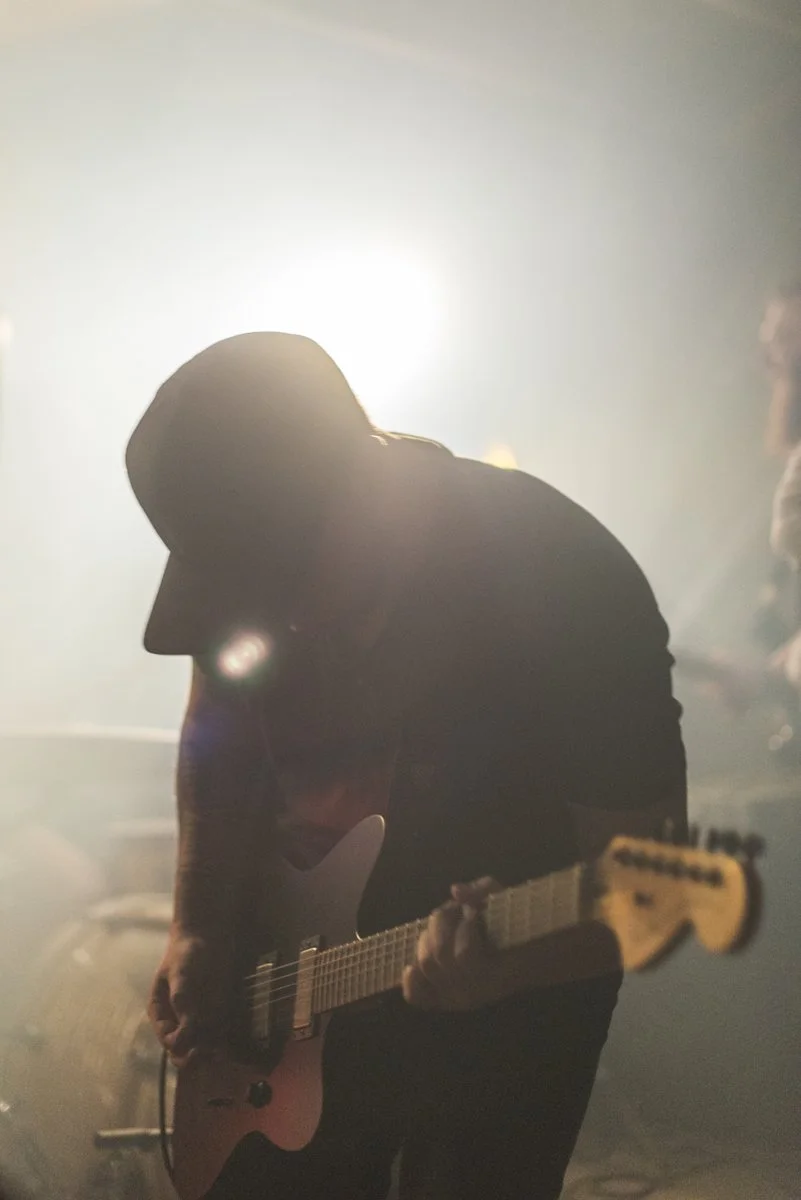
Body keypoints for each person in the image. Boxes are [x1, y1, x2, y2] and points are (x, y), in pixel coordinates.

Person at [126, 332, 687, 1200]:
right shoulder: (258, 578)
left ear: (361, 490)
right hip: (283, 999)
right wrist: (196, 921)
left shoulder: (567, 586)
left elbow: (655, 888)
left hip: (508, 1016)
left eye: (283, 580)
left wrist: (514, 965)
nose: (279, 617)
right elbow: (216, 733)